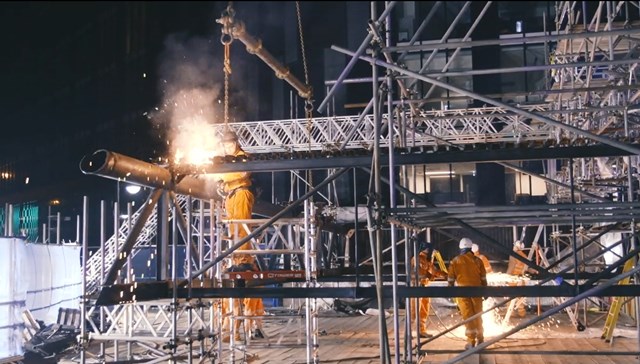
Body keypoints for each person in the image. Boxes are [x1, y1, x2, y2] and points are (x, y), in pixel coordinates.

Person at [217, 130, 265, 342]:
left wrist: (220, 175)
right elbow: (223, 177)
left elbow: (235, 174)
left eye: (230, 144)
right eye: (225, 145)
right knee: (233, 229)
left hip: (241, 193)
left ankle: (244, 259)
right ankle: (236, 257)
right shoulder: (227, 160)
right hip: (231, 195)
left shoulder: (242, 158)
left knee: (241, 228)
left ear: (236, 143)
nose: (227, 147)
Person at [447, 237, 487, 350]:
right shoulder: (478, 260)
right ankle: (481, 339)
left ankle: (470, 341)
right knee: (478, 315)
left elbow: (450, 278)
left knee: (468, 316)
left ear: (460, 248)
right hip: (477, 292)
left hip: (462, 292)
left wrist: (449, 289)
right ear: (470, 248)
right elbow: (483, 277)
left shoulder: (455, 260)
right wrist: (485, 290)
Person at [409, 231, 446, 338]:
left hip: (424, 287)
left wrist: (447, 275)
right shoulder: (418, 259)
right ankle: (409, 332)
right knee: (414, 311)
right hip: (416, 288)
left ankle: (421, 330)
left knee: (424, 310)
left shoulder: (426, 260)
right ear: (427, 250)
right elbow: (427, 271)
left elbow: (434, 271)